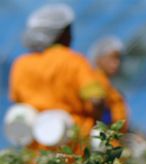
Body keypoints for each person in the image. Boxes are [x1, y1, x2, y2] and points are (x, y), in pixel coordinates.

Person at [9, 3, 105, 149]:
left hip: (38, 145)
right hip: (75, 142)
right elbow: (96, 99)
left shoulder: (20, 65)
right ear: (60, 34)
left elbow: (18, 103)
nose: (72, 36)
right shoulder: (74, 62)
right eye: (69, 31)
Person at [88, 35, 129, 132]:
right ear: (98, 59)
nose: (116, 63)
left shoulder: (109, 86)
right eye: (112, 58)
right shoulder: (95, 82)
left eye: (119, 59)